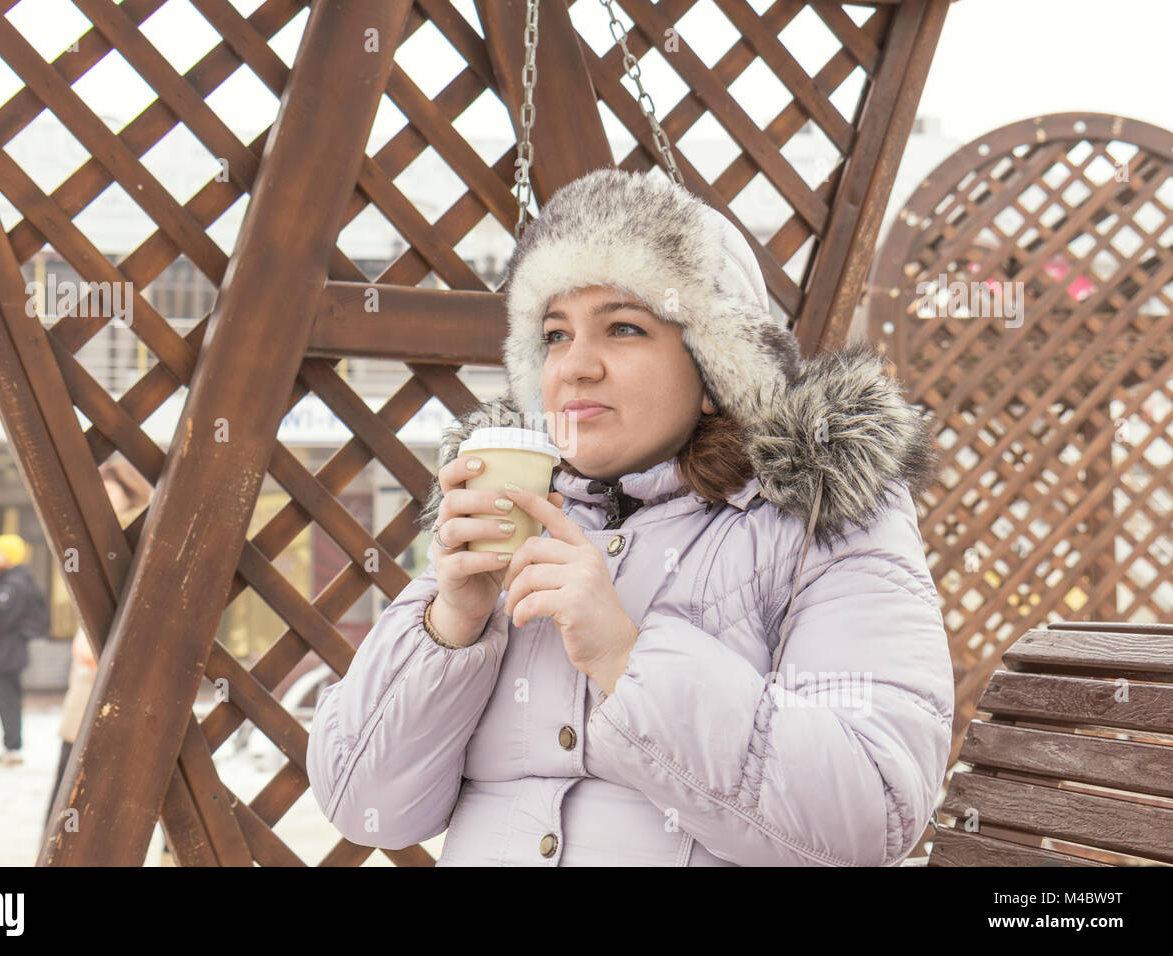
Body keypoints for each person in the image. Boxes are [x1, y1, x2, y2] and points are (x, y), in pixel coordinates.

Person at [306, 168, 955, 866]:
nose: (575, 367)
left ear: (714, 370)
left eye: (622, 327)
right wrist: (450, 627)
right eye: (554, 335)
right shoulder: (515, 516)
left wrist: (626, 657)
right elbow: (364, 806)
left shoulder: (822, 517)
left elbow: (872, 810)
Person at [45, 458, 151, 826]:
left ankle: (61, 835)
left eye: (111, 493)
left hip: (121, 658)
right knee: (78, 757)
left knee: (130, 762)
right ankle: (59, 836)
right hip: (95, 656)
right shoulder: (96, 535)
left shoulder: (133, 536)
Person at [0, 533, 50, 767]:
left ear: (9, 556)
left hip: (6, 652)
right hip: (11, 650)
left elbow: (0, 620)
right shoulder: (19, 582)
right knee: (8, 699)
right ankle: (11, 747)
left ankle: (12, 750)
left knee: (7, 699)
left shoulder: (13, 585)